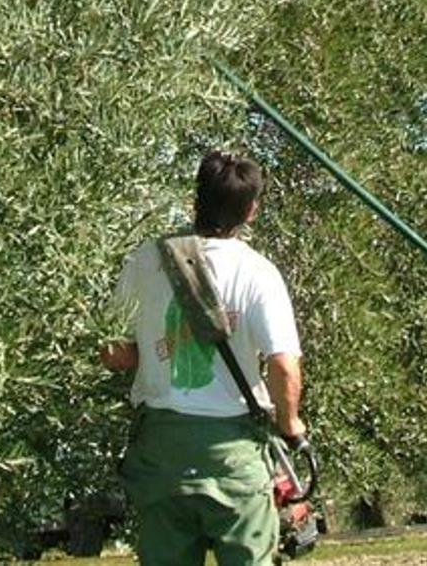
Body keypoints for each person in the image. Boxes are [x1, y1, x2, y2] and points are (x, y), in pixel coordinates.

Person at [101, 150, 305, 566]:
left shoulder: (146, 261)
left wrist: (157, 356)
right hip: (232, 453)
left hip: (161, 453)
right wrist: (291, 425)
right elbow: (283, 366)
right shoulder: (258, 273)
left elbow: (112, 352)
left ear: (195, 201)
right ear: (251, 210)